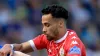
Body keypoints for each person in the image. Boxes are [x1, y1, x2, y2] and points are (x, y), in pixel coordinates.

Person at [0, 5, 86, 56]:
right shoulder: (48, 37)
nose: (44, 30)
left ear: (60, 24)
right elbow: (22, 47)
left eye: (47, 25)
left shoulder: (73, 44)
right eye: (43, 25)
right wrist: (10, 46)